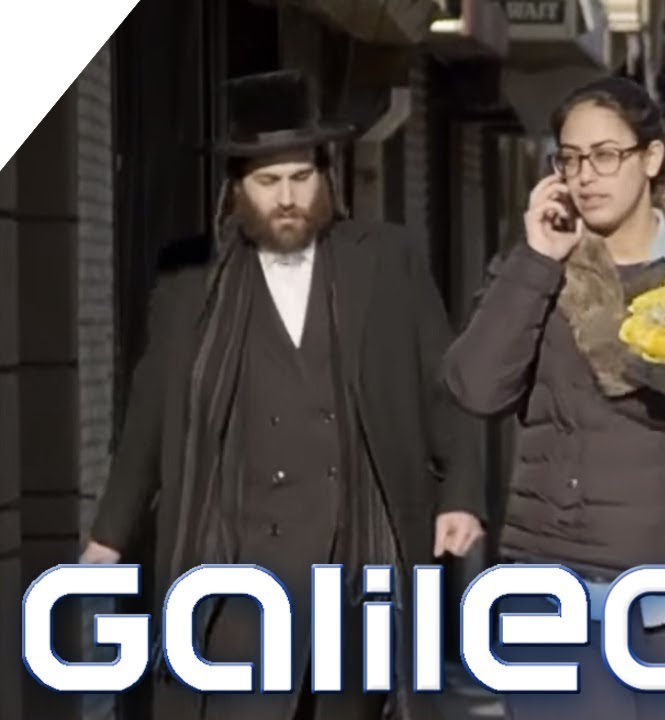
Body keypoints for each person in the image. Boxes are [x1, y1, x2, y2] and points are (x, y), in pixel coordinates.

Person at [80, 70, 486, 720]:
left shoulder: (384, 259)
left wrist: (461, 492)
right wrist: (109, 535)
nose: (288, 197)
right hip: (238, 567)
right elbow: (150, 412)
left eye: (301, 177)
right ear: (237, 189)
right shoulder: (190, 284)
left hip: (354, 562)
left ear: (326, 175)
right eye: (268, 183)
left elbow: (443, 380)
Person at [442, 76, 665, 719]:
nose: (587, 175)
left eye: (606, 155)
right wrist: (537, 259)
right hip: (563, 595)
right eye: (571, 157)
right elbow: (474, 387)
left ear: (650, 159)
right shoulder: (536, 271)